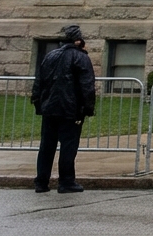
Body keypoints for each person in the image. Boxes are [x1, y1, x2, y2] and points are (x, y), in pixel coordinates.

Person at [31, 24, 96, 194]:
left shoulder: (50, 56)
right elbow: (87, 86)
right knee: (68, 146)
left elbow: (39, 81)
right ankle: (66, 181)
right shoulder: (81, 57)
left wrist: (38, 103)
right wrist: (87, 108)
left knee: (47, 145)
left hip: (49, 108)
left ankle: (41, 181)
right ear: (78, 40)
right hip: (70, 109)